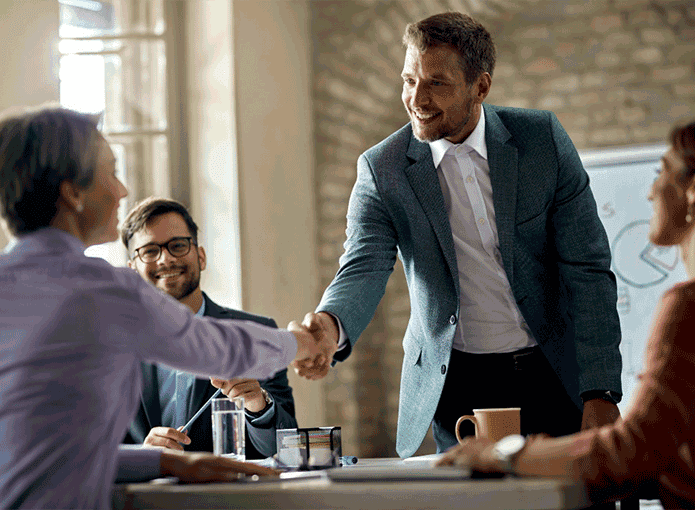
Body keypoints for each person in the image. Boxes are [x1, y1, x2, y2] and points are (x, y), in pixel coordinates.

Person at [296, 11, 623, 458]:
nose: (416, 98)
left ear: (481, 87)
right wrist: (330, 327)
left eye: (437, 83)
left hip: (554, 371)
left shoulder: (541, 141)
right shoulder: (382, 168)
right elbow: (363, 265)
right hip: (458, 386)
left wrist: (601, 390)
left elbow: (587, 269)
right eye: (409, 79)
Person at [0, 104, 322, 509]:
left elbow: (45, 456)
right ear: (73, 192)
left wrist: (169, 463)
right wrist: (304, 343)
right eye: (111, 171)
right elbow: (217, 348)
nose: (121, 190)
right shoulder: (101, 289)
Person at [436, 120, 695, 509]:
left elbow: (631, 450)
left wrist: (500, 454)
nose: (651, 190)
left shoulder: (686, 309)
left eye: (664, 173)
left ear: (691, 192)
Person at [120, 197, 297, 458]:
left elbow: (287, 447)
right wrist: (141, 457)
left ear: (200, 257)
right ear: (132, 271)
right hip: (144, 497)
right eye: (149, 251)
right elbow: (90, 451)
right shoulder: (111, 347)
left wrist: (257, 404)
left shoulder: (258, 332)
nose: (166, 259)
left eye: (178, 245)